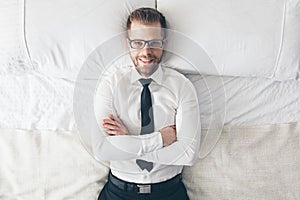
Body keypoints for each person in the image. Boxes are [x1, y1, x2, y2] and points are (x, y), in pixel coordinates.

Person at [94, 7, 201, 200]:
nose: (146, 51)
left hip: (169, 193)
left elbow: (188, 154)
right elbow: (102, 149)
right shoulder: (110, 84)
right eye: (138, 43)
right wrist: (161, 139)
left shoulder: (182, 86)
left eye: (154, 43)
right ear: (128, 44)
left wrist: (128, 142)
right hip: (118, 193)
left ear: (164, 43)